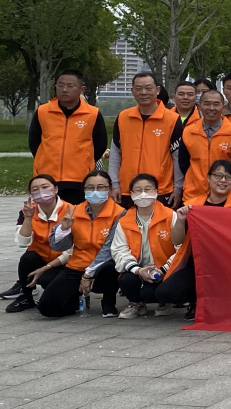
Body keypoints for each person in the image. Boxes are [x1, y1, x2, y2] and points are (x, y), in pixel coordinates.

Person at [158, 160, 231, 320]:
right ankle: (196, 300)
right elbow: (176, 240)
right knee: (165, 292)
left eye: (228, 177)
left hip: (227, 264)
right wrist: (180, 220)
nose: (223, 180)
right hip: (197, 264)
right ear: (208, 178)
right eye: (218, 176)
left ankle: (217, 302)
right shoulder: (193, 205)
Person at [43, 169, 123, 318]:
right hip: (77, 265)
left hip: (104, 266)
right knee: (47, 308)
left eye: (101, 187)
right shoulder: (74, 211)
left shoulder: (120, 213)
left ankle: (108, 302)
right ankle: (74, 301)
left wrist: (88, 274)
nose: (95, 191)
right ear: (84, 190)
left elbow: (109, 249)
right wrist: (63, 229)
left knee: (110, 267)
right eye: (90, 187)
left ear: (109, 189)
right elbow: (57, 246)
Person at [29, 69, 108, 205]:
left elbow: (100, 145)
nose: (64, 90)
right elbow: (34, 142)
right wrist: (44, 160)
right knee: (47, 215)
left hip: (79, 179)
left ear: (82, 89)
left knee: (77, 216)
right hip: (47, 178)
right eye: (60, 85)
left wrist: (84, 162)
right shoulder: (43, 112)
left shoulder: (92, 114)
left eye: (70, 86)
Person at [111, 174, 179, 318]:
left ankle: (164, 302)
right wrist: (138, 270)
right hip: (138, 269)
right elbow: (119, 251)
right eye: (138, 190)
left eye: (148, 189)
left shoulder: (170, 216)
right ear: (131, 194)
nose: (143, 194)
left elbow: (181, 248)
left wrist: (163, 269)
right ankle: (136, 303)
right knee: (126, 280)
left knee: (152, 293)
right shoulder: (124, 221)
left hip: (165, 269)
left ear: (156, 192)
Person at [110, 72, 182, 208]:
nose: (143, 92)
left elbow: (178, 157)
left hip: (159, 189)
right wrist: (114, 184)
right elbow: (115, 153)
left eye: (148, 88)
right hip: (127, 189)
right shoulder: (123, 117)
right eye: (138, 88)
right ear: (132, 91)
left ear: (157, 90)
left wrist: (178, 189)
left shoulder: (172, 119)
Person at [4, 175, 71, 311]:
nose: (41, 192)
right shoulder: (27, 211)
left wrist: (46, 267)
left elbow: (72, 250)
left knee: (48, 281)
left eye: (45, 187)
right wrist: (28, 218)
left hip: (64, 261)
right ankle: (25, 296)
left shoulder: (71, 210)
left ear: (55, 189)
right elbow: (22, 243)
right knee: (28, 258)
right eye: (35, 189)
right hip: (40, 257)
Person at [175, 90, 231, 206]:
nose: (211, 108)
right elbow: (183, 164)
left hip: (225, 196)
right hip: (193, 194)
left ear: (223, 107)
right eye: (207, 104)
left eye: (216, 104)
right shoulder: (189, 131)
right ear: (199, 106)